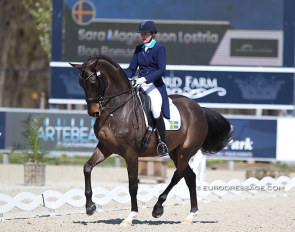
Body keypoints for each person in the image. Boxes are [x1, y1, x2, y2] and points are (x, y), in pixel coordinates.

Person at [125, 20, 169, 156]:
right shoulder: (138, 49)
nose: (143, 36)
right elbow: (132, 69)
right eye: (141, 34)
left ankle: (162, 142)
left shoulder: (159, 49)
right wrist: (125, 77)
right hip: (139, 84)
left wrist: (145, 79)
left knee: (155, 110)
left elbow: (161, 70)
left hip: (154, 85)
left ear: (153, 34)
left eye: (146, 34)